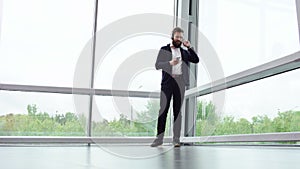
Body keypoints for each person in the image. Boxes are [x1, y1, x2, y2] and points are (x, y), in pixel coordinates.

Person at [151, 27, 199, 147]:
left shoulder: (184, 52)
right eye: (177, 36)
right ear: (172, 37)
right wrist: (169, 63)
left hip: (180, 83)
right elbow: (157, 65)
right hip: (167, 83)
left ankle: (176, 139)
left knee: (177, 112)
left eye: (181, 37)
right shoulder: (164, 49)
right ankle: (159, 139)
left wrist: (189, 47)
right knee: (163, 110)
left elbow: (196, 59)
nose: (179, 39)